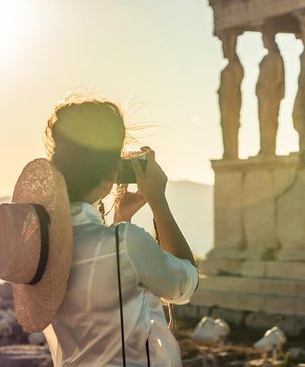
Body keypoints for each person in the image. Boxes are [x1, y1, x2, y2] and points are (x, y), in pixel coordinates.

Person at [41, 96, 198, 366]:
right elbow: (185, 284)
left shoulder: (41, 244)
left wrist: (119, 219)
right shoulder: (126, 243)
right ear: (112, 171)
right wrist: (158, 202)